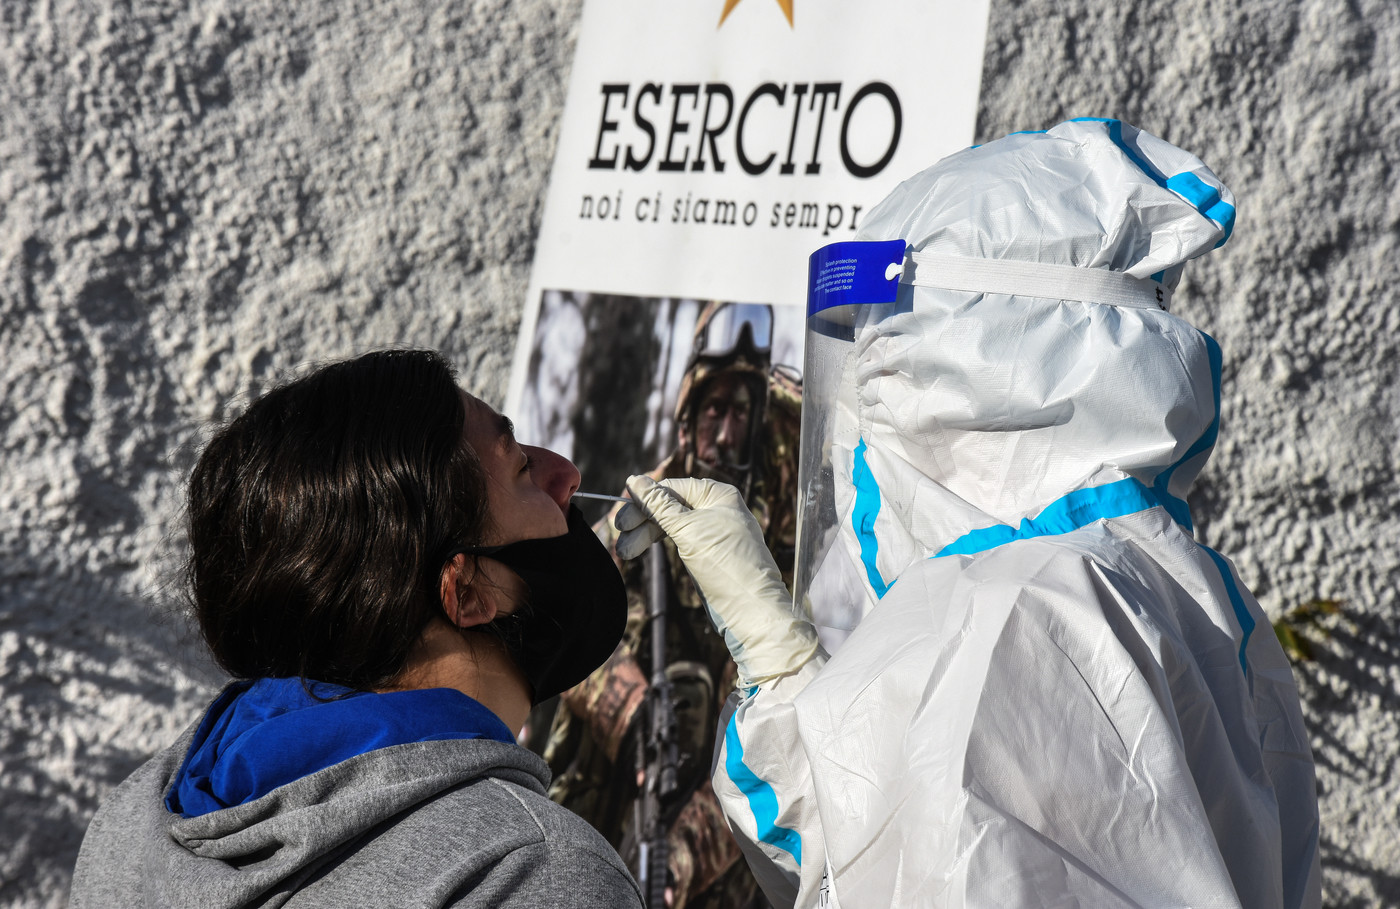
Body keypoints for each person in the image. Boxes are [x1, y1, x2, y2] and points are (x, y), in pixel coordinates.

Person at [615, 120, 1322, 908]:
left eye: (883, 353)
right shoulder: (1160, 577)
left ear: (971, 370)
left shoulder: (1026, 611)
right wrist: (774, 650)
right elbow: (890, 839)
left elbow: (880, 880)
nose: (857, 406)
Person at [69, 349, 644, 908]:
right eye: (520, 465)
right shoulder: (531, 873)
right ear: (467, 592)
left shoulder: (130, 825)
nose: (566, 475)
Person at [539, 303, 800, 909]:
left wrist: (683, 854)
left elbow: (776, 735)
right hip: (629, 769)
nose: (727, 434)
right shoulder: (646, 503)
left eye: (741, 413)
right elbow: (565, 616)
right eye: (715, 411)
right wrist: (633, 714)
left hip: (735, 785)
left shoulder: (789, 530)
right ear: (688, 419)